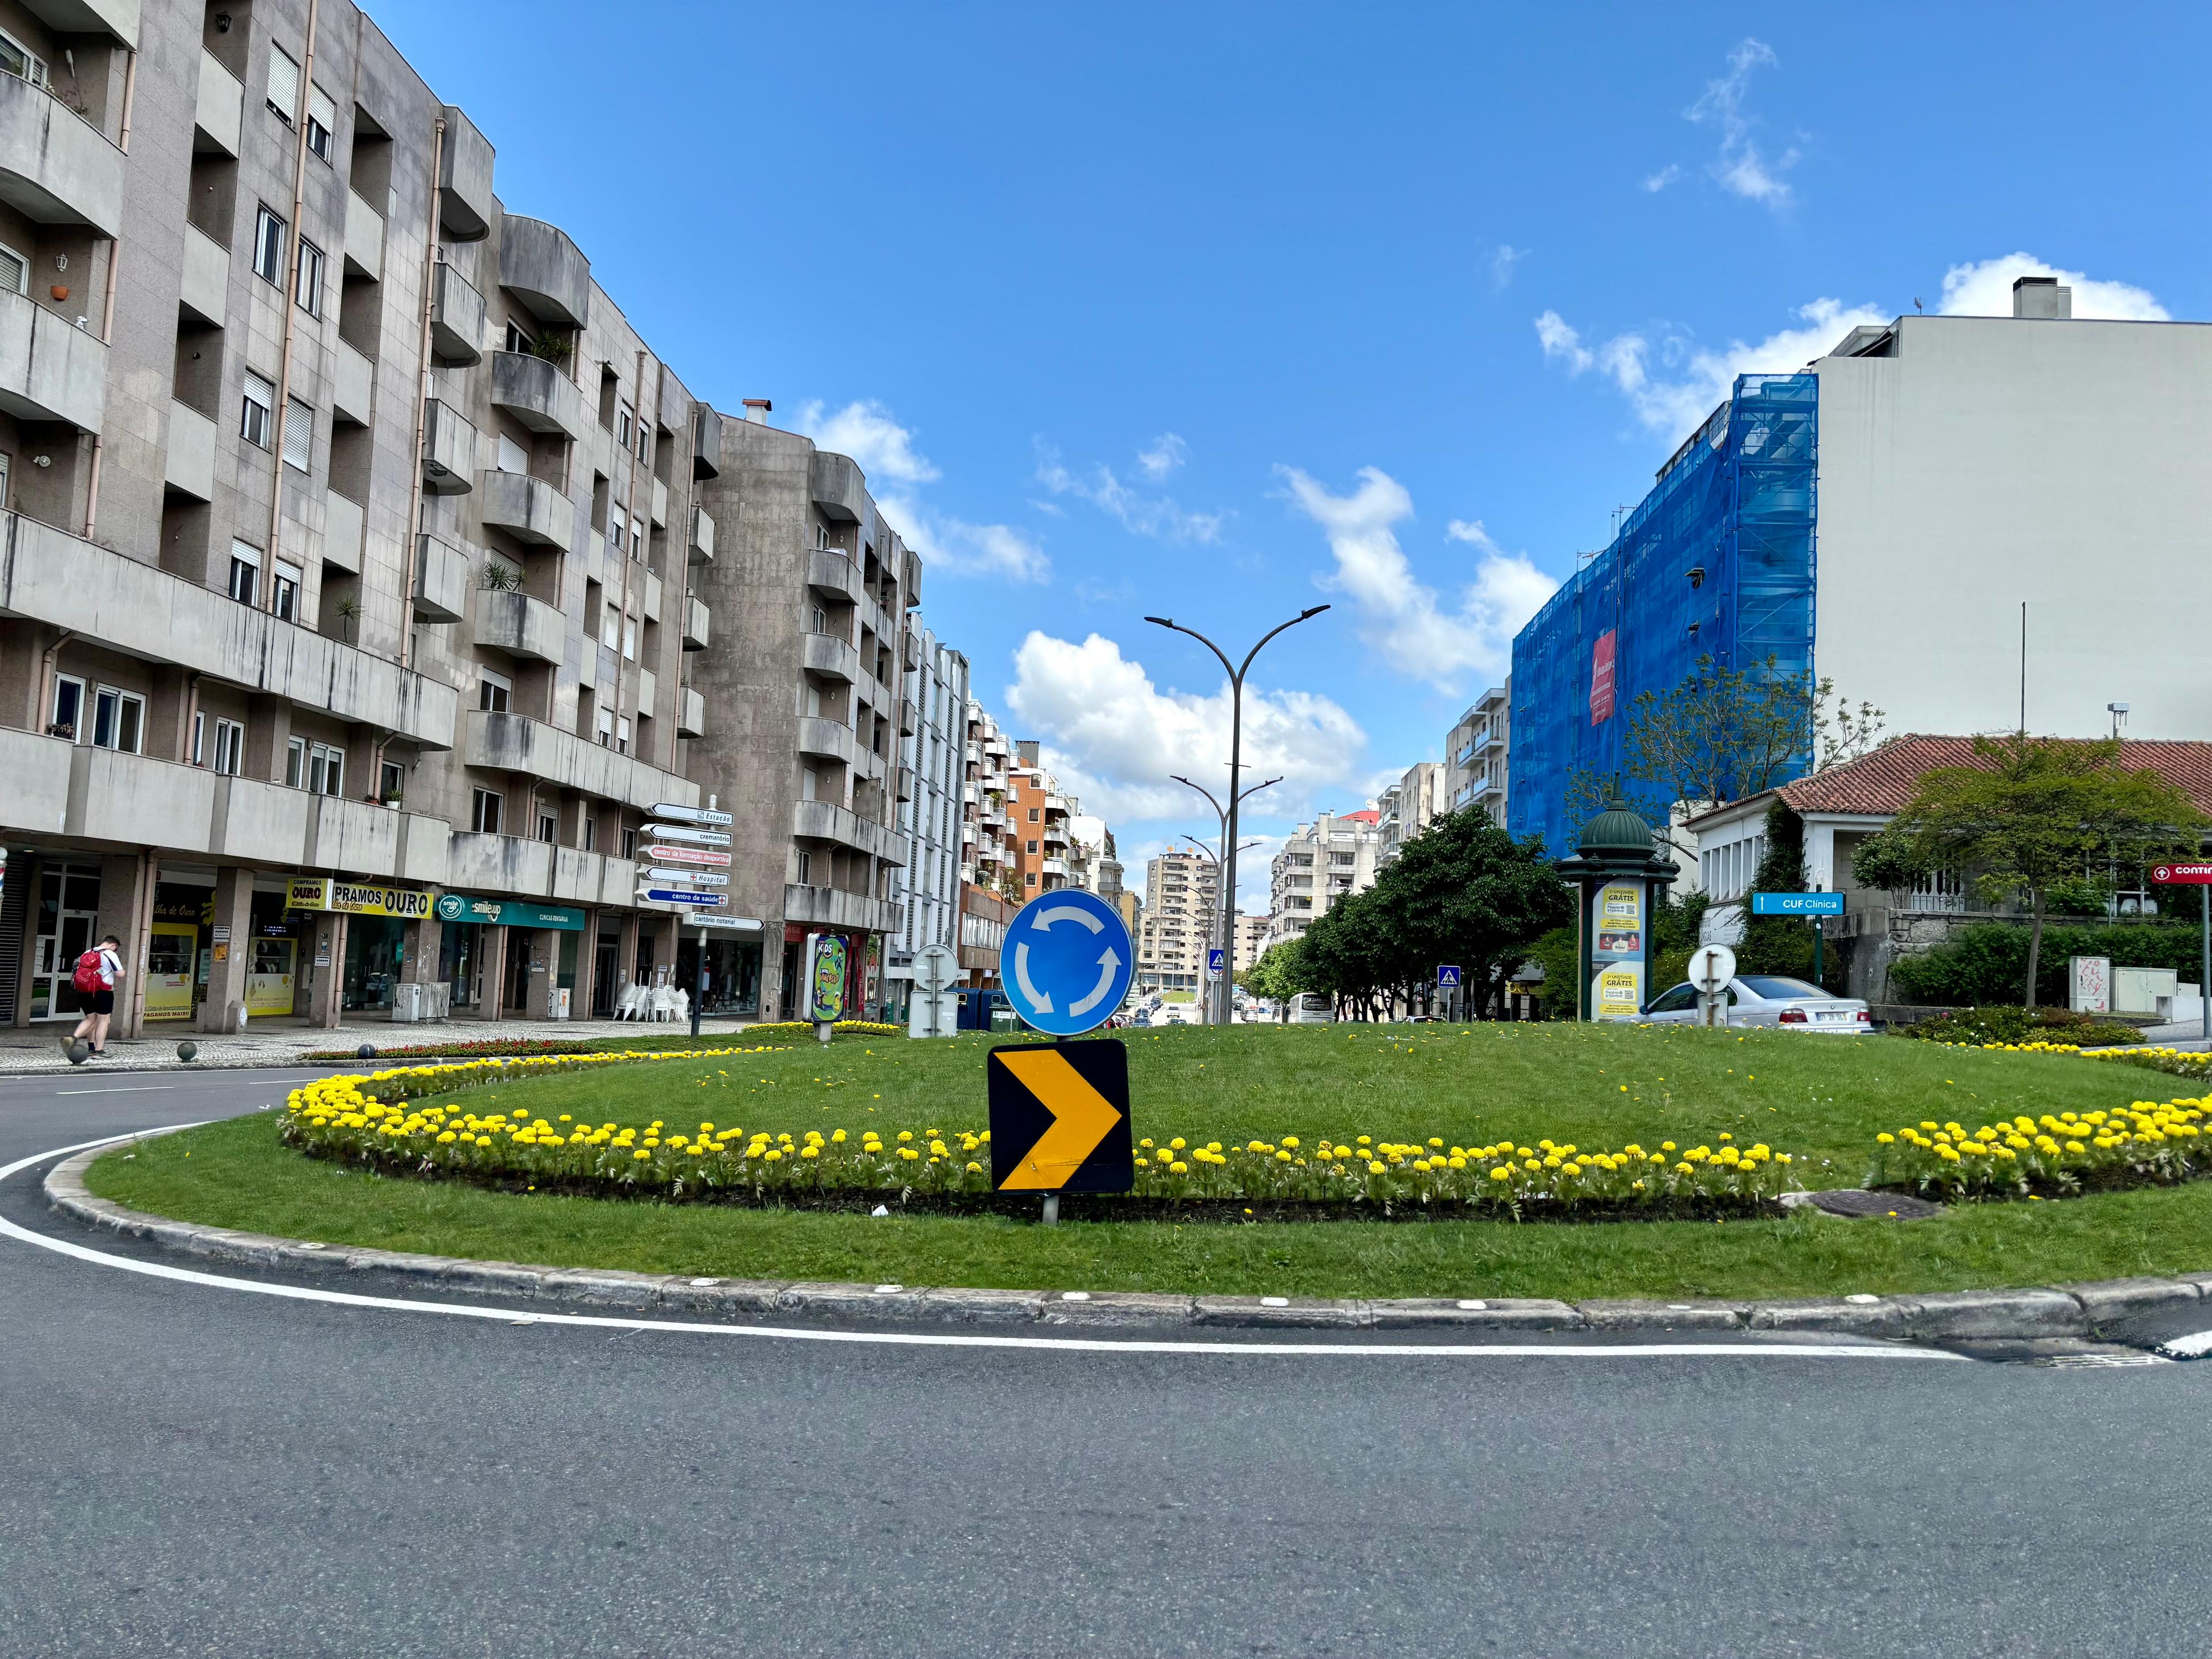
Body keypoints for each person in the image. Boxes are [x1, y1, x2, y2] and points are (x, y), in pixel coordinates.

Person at [66, 934, 124, 1058]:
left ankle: (81, 1042)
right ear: (114, 945)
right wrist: (122, 972)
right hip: (103, 990)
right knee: (104, 1020)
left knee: (91, 1019)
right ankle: (99, 1050)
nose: (115, 950)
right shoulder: (110, 954)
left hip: (84, 991)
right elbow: (119, 974)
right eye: (116, 948)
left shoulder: (88, 952)